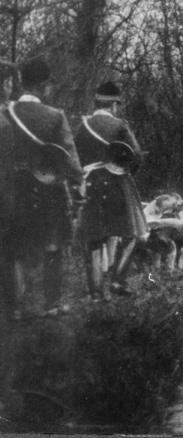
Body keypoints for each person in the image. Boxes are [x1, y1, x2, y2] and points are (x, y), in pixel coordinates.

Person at [4, 58, 83, 316]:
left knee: (14, 247)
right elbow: (70, 159)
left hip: (13, 189)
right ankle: (51, 304)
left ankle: (14, 307)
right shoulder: (55, 116)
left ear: (22, 83)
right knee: (52, 245)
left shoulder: (6, 113)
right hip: (49, 190)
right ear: (44, 86)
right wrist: (78, 186)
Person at [74, 81, 144, 277]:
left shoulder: (82, 126)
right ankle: (117, 278)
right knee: (130, 233)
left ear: (96, 103)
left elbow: (74, 157)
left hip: (89, 183)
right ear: (114, 105)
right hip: (117, 183)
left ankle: (95, 291)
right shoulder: (120, 125)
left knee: (94, 236)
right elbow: (136, 155)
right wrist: (127, 173)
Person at [81, 141, 147, 298]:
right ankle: (96, 292)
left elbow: (132, 203)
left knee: (131, 239)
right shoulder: (93, 173)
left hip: (118, 215)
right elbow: (85, 198)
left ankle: (117, 282)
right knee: (94, 247)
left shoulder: (125, 176)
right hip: (97, 215)